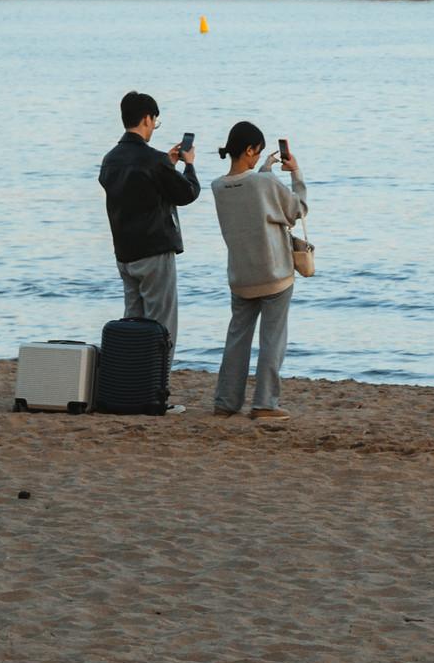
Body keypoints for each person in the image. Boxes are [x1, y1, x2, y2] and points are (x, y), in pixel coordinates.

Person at [210, 122, 307, 428]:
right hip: (274, 272)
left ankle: (226, 402)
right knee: (272, 340)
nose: (257, 157)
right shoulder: (264, 184)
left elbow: (250, 191)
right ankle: (265, 403)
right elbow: (297, 209)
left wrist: (265, 169)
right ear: (250, 149)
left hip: (241, 275)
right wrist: (295, 173)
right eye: (258, 152)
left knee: (237, 339)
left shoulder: (217, 186)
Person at [99, 90, 200, 381]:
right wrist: (189, 164)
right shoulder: (153, 160)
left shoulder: (111, 159)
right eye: (155, 121)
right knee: (162, 326)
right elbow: (187, 193)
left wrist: (166, 165)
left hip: (125, 254)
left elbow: (136, 191)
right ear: (147, 118)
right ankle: (157, 388)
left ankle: (132, 387)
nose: (154, 127)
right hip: (154, 252)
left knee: (133, 323)